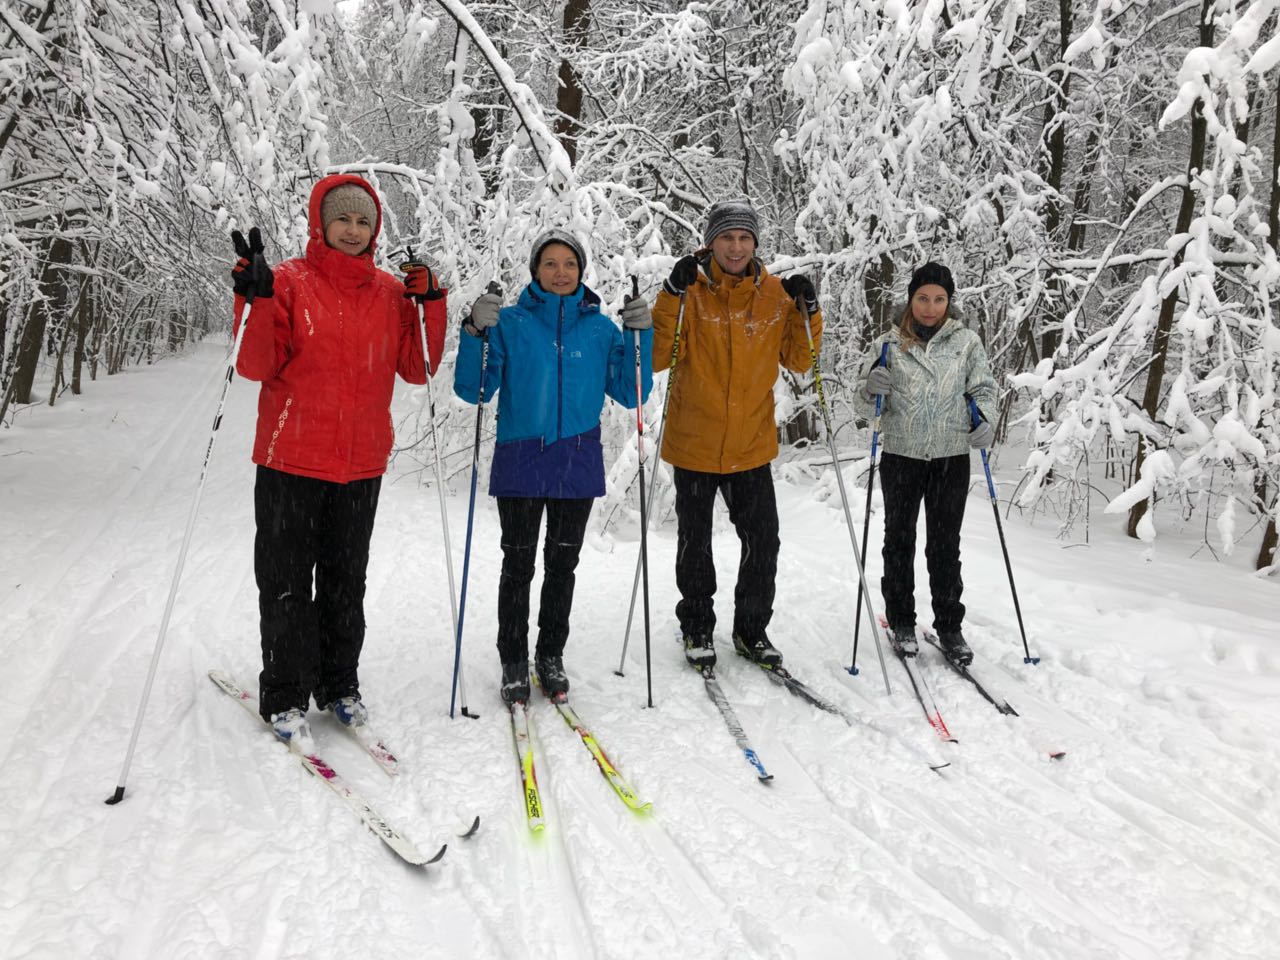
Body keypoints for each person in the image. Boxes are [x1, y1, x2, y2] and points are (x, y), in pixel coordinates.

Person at [230, 174, 447, 745]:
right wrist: (252, 298)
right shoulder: (287, 282)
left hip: (359, 465)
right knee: (285, 583)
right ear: (320, 223)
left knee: (346, 582)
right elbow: (256, 365)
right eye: (343, 219)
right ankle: (283, 693)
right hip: (289, 460)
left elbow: (417, 367)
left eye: (363, 222)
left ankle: (338, 684)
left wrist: (428, 304)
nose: (353, 231)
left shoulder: (389, 293)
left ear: (375, 230)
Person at [453, 230, 653, 705]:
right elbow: (475, 390)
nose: (560, 272)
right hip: (521, 459)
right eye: (550, 264)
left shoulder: (602, 329)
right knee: (518, 565)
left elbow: (631, 392)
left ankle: (550, 655)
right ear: (535, 271)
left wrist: (640, 334)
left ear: (581, 272)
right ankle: (513, 659)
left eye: (569, 264)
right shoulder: (512, 322)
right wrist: (474, 333)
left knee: (562, 566)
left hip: (576, 461)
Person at [650, 199, 822, 669]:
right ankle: (697, 626)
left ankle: (751, 631)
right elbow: (657, 355)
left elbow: (801, 358)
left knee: (763, 542)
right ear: (711, 242)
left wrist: (809, 309)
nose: (736, 247)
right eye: (727, 237)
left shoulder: (772, 295)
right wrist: (668, 294)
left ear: (755, 243)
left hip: (750, 445)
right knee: (695, 543)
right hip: (694, 441)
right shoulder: (689, 292)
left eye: (745, 238)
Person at [859, 261, 996, 666]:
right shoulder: (888, 342)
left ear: (949, 301)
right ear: (911, 299)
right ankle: (901, 620)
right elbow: (861, 401)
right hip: (902, 455)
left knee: (944, 545)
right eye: (923, 298)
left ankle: (949, 626)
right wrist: (870, 388)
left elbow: (983, 388)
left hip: (950, 457)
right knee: (898, 541)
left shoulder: (967, 342)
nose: (930, 307)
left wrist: (984, 419)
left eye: (939, 299)